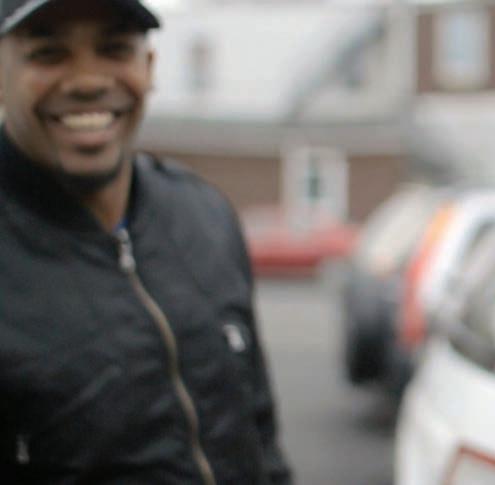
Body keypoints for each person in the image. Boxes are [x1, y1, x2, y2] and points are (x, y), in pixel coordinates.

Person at [0, 0, 292, 483]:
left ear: (149, 67)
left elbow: (259, 432)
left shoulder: (204, 215)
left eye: (114, 48)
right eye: (48, 54)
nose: (88, 81)